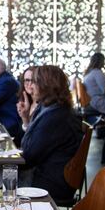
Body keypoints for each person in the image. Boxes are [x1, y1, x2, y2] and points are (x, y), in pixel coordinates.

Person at [20, 65, 83, 202]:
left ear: (45, 85)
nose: (31, 87)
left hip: (49, 182)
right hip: (53, 177)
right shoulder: (53, 109)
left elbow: (28, 156)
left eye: (35, 82)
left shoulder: (55, 116)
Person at [83, 52, 105, 121]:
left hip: (90, 101)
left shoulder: (88, 73)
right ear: (101, 62)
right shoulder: (97, 73)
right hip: (97, 103)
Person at [17, 66, 38, 130]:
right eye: (27, 80)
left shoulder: (44, 104)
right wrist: (24, 118)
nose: (30, 83)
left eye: (33, 80)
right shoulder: (25, 101)